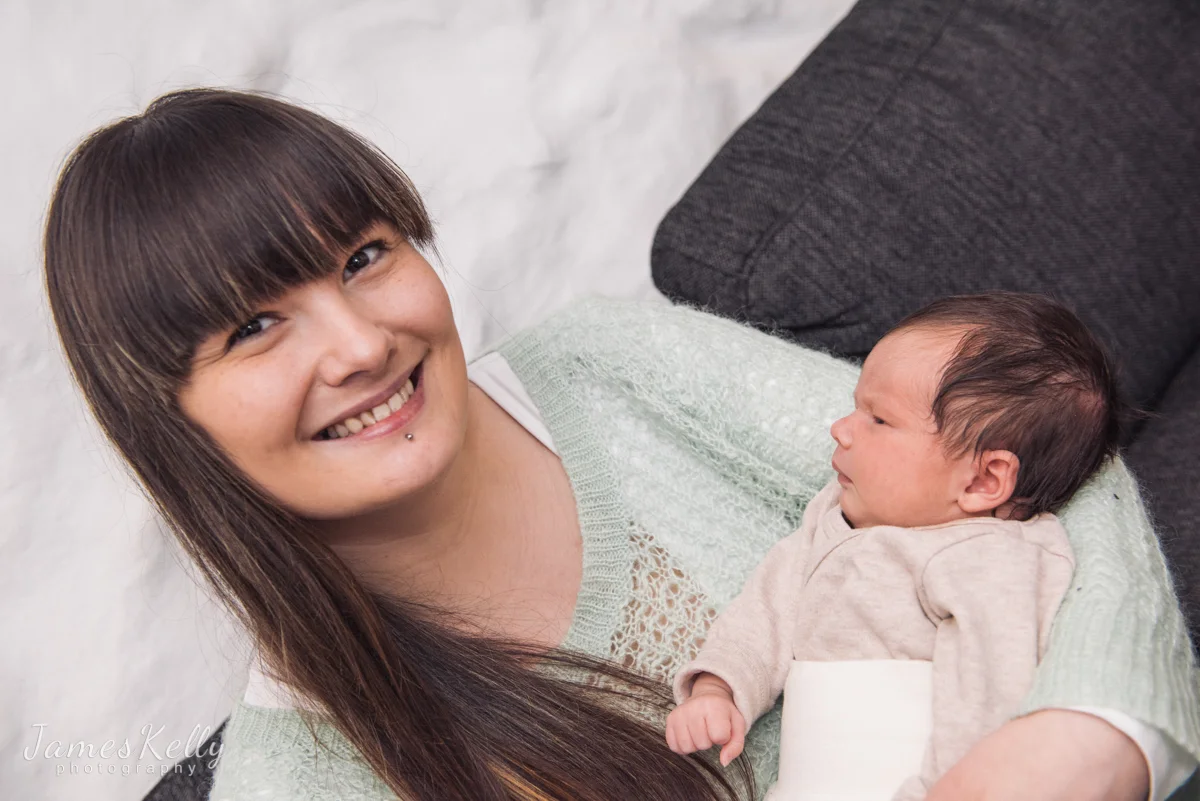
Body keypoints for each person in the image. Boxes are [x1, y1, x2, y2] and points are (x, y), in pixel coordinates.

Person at [41, 88, 1198, 801]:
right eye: (254, 327)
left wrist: (1092, 738)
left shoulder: (615, 367)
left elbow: (1032, 475)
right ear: (170, 419)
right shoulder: (299, 778)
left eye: (364, 257)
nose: (360, 343)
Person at [665, 293, 1131, 800]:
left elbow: (989, 700)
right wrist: (719, 688)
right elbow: (767, 610)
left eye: (879, 419)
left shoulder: (992, 557)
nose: (840, 429)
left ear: (983, 480)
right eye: (855, 407)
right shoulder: (833, 516)